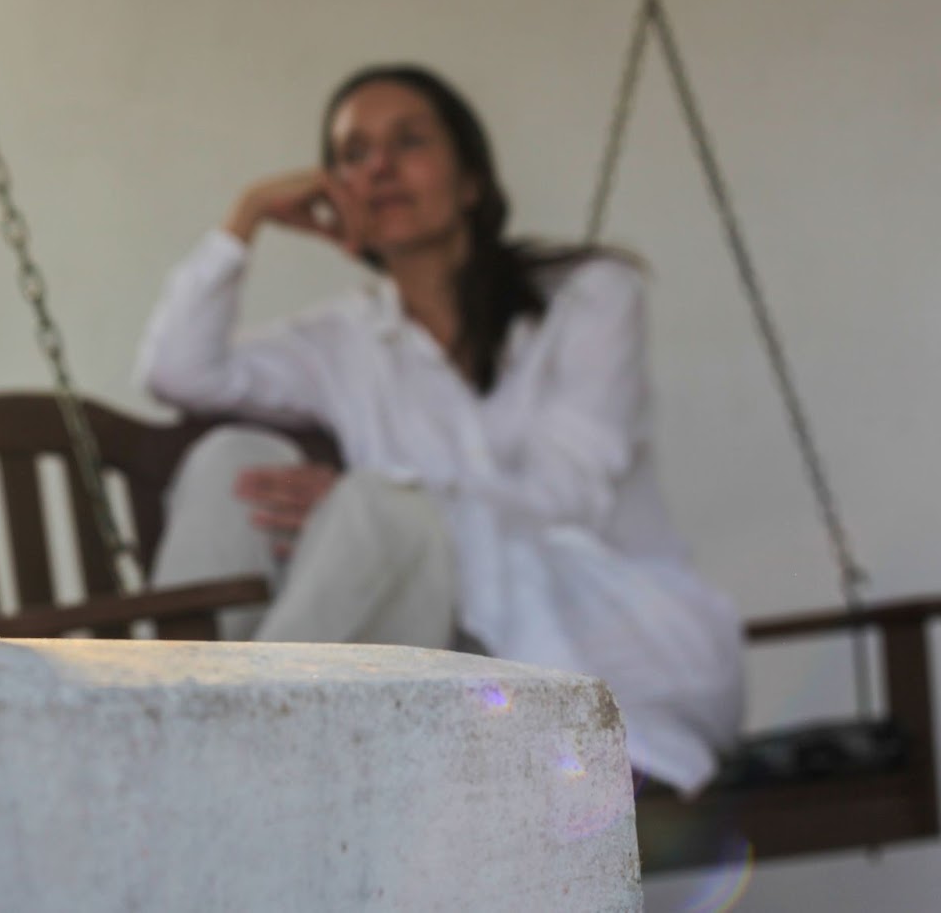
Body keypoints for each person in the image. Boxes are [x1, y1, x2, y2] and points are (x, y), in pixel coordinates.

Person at [135, 65, 744, 796]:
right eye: (353, 154)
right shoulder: (343, 339)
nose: (380, 167)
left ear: (471, 182)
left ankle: (200, 773)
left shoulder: (587, 298)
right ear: (333, 192)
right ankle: (224, 755)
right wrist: (247, 219)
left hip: (597, 625)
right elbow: (178, 372)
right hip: (433, 646)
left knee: (382, 508)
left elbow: (566, 492)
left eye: (409, 142)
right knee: (229, 459)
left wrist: (386, 504)